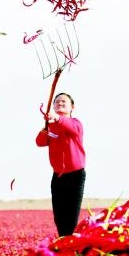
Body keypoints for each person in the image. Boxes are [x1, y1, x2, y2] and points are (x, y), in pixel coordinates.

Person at [35, 92, 86, 237]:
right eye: (57, 101)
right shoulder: (51, 127)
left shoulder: (76, 123)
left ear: (72, 107)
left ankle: (70, 244)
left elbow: (72, 128)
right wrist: (46, 127)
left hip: (75, 175)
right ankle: (63, 242)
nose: (60, 103)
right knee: (59, 218)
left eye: (64, 101)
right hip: (58, 176)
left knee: (71, 217)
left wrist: (57, 118)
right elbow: (40, 142)